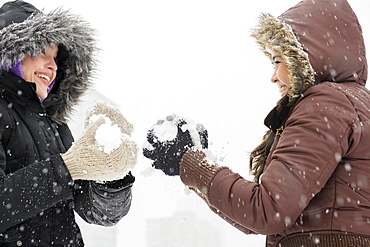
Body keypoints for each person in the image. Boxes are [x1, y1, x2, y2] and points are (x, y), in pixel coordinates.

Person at [143, 0, 370, 246]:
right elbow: (261, 218)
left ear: (306, 57)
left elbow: (267, 211)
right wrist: (194, 165)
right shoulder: (353, 105)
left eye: (277, 61)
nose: (273, 77)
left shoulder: (325, 105)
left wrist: (191, 161)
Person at [0, 1, 137, 246]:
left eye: (55, 57)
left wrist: (112, 172)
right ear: (11, 55)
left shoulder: (54, 124)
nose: (53, 66)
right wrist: (67, 168)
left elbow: (99, 214)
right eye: (42, 52)